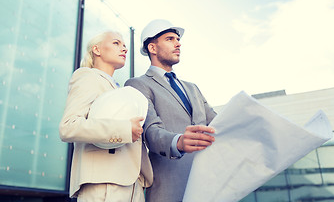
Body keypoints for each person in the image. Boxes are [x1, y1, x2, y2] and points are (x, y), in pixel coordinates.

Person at [125, 19, 216, 202]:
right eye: (170, 39)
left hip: (206, 184)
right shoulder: (138, 85)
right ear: (152, 48)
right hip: (169, 186)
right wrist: (179, 142)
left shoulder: (193, 88)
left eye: (177, 39)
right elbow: (150, 131)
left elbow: (215, 122)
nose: (178, 43)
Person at [59, 31, 153, 202]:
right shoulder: (87, 76)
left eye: (124, 45)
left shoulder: (115, 89)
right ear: (97, 49)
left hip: (131, 184)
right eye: (116, 43)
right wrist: (124, 129)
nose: (124, 48)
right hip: (104, 185)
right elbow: (68, 127)